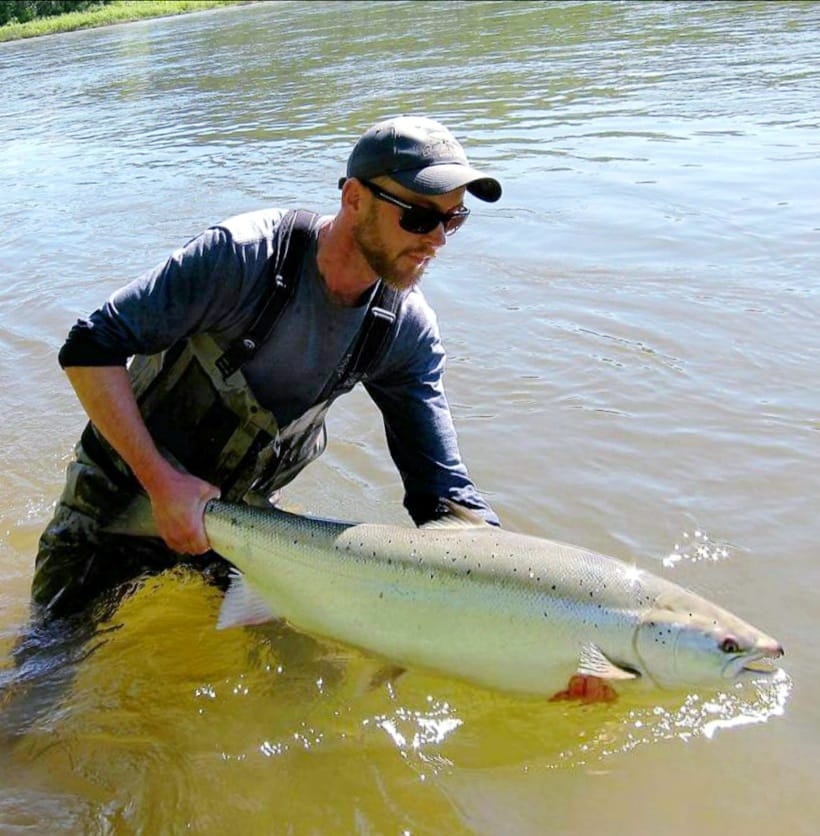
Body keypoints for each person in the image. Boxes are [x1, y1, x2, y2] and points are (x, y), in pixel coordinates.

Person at [32, 115, 503, 622]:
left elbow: (442, 497)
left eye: (452, 219)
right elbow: (89, 346)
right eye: (418, 217)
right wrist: (161, 481)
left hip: (237, 523)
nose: (438, 240)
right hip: (119, 504)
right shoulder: (239, 258)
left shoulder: (404, 331)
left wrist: (518, 610)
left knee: (303, 676)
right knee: (45, 677)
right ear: (354, 199)